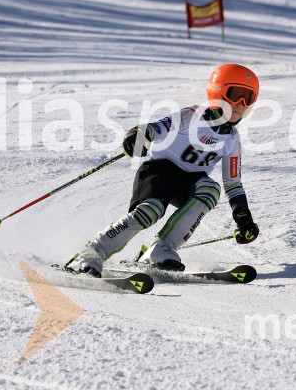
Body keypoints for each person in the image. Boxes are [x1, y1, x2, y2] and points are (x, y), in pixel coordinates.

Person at [71, 64, 261, 277]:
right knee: (149, 212)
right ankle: (93, 252)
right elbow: (155, 128)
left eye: (249, 97)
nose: (241, 104)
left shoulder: (232, 140)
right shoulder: (191, 116)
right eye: (236, 94)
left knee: (210, 189)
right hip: (159, 172)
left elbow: (233, 183)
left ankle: (161, 249)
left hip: (189, 183)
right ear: (217, 91)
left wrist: (243, 218)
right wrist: (138, 135)